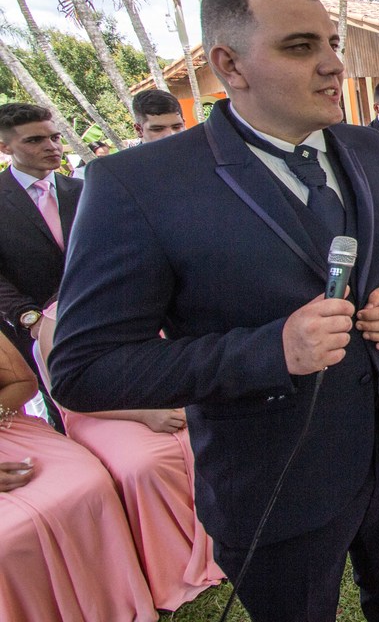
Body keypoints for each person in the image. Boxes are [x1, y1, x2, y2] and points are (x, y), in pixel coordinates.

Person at [49, 0, 379, 622]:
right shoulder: (136, 185)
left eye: (332, 44)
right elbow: (83, 369)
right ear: (229, 64)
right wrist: (271, 350)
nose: (332, 64)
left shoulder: (371, 147)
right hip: (274, 485)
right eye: (299, 47)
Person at [37, 303, 224, 609]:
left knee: (209, 432)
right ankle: (171, 567)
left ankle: (224, 539)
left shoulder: (142, 295)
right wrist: (143, 414)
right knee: (144, 465)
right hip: (100, 414)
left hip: (158, 394)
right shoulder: (55, 320)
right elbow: (69, 398)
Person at [0, 334, 159, 621]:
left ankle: (116, 602)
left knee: (90, 487)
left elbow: (22, 382)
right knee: (6, 539)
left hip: (7, 428)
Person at [0, 102, 81, 433]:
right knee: (63, 409)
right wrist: (30, 318)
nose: (51, 146)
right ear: (5, 147)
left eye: (55, 137)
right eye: (34, 140)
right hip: (32, 330)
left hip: (100, 317)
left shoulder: (84, 190)